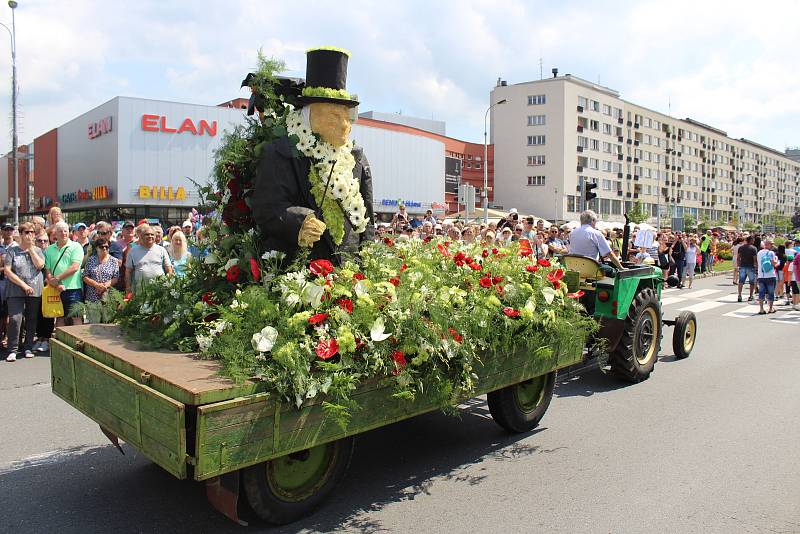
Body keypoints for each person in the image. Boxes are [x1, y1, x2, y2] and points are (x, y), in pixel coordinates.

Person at [249, 48, 375, 265]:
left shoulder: (357, 159)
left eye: (347, 116)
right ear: (309, 114)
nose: (344, 125)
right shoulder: (281, 152)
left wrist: (369, 260)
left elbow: (368, 220)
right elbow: (267, 206)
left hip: (350, 271)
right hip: (301, 272)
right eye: (334, 115)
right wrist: (299, 222)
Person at [3, 223, 45, 361]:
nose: (30, 235)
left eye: (32, 232)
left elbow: (40, 265)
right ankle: (13, 349)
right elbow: (8, 271)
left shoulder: (37, 250)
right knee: (15, 319)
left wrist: (30, 248)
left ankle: (28, 346)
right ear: (20, 234)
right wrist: (23, 285)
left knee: (31, 319)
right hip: (15, 289)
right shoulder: (12, 251)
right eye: (26, 232)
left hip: (34, 289)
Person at [44, 221, 84, 327]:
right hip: (56, 289)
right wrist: (56, 284)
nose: (63, 233)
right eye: (60, 231)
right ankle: (59, 341)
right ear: (55, 234)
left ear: (69, 232)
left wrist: (57, 278)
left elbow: (74, 267)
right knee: (59, 317)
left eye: (65, 231)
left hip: (73, 289)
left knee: (76, 317)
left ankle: (78, 342)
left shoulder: (76, 246)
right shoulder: (49, 250)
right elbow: (47, 271)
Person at [124, 224, 173, 292]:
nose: (150, 236)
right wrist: (128, 288)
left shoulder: (162, 250)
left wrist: (167, 284)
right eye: (147, 234)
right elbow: (128, 271)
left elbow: (169, 270)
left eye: (152, 234)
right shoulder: (133, 251)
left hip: (159, 290)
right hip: (140, 291)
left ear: (155, 236)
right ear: (141, 236)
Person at [32, 229, 53, 353]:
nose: (43, 243)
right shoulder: (34, 252)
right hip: (36, 287)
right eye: (40, 241)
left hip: (48, 287)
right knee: (37, 314)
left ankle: (46, 338)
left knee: (48, 314)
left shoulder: (50, 253)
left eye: (45, 241)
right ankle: (39, 338)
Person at [82, 237, 120, 304]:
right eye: (101, 247)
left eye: (106, 247)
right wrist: (96, 285)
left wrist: (104, 286)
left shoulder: (114, 261)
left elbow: (116, 278)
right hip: (92, 296)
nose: (104, 248)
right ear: (97, 248)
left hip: (107, 296)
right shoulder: (91, 259)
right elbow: (85, 276)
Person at [756, 239, 778, 315]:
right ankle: (770, 308)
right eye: (771, 244)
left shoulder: (759, 252)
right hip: (770, 275)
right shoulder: (771, 253)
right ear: (767, 245)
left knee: (761, 292)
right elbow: (774, 264)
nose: (772, 246)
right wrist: (776, 259)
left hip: (761, 275)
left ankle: (761, 309)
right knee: (771, 292)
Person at [736, 235, 758, 303]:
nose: (754, 241)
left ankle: (739, 295)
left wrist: (738, 265)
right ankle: (751, 296)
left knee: (741, 282)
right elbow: (755, 259)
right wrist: (756, 267)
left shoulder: (741, 247)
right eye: (753, 240)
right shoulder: (754, 248)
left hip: (742, 266)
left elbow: (738, 258)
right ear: (751, 240)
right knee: (751, 282)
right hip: (751, 267)